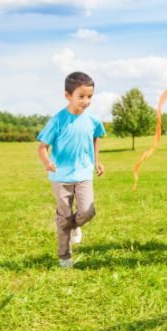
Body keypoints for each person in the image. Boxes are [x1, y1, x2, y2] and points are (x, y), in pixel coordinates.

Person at [37, 71, 106, 269]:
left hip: (84, 174)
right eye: (81, 96)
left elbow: (96, 137)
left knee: (87, 211)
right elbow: (42, 147)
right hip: (60, 177)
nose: (86, 101)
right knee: (64, 218)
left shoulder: (93, 120)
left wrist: (96, 161)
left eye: (90, 96)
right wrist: (47, 162)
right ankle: (64, 257)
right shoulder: (57, 120)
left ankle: (75, 226)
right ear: (68, 95)